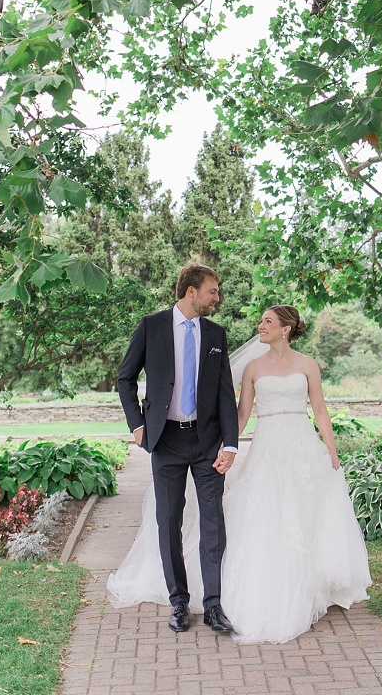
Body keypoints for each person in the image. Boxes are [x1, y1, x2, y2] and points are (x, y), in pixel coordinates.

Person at [109, 303, 371, 645]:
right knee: (266, 513)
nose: (260, 325)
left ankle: (306, 584)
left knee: (306, 512)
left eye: (267, 321)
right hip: (267, 445)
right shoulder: (252, 367)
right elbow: (241, 411)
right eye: (261, 320)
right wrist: (227, 446)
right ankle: (232, 592)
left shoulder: (308, 365)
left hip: (301, 445)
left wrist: (331, 451)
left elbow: (320, 410)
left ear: (286, 328)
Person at [116, 262, 239, 635]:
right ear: (191, 292)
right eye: (212, 291)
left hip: (207, 442)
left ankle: (214, 605)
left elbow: (224, 393)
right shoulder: (151, 326)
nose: (217, 297)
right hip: (165, 440)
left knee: (213, 522)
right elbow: (125, 378)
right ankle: (179, 602)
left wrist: (230, 444)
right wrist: (137, 424)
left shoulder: (216, 333)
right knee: (168, 522)